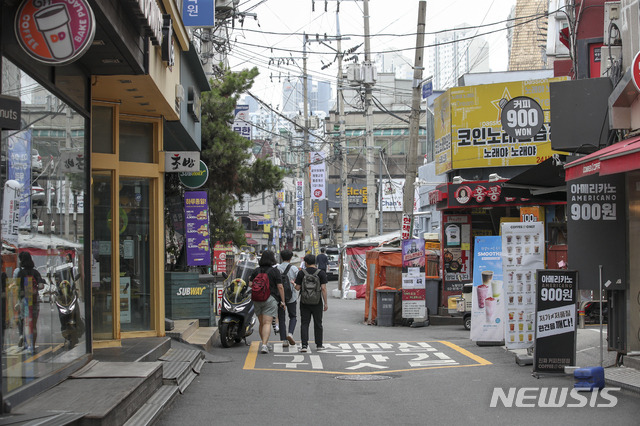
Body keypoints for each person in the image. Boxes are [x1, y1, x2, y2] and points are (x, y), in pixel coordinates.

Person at [249, 250, 286, 354]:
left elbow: (250, 284)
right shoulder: (275, 271)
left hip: (257, 299)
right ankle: (264, 345)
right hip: (270, 299)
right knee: (267, 323)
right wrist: (283, 301)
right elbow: (280, 287)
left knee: (261, 323)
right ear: (272, 259)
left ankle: (264, 342)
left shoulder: (256, 271)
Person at [295, 254, 328, 352]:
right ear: (315, 262)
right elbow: (323, 289)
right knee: (318, 323)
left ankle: (304, 345)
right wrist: (325, 303)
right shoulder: (320, 273)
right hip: (317, 301)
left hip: (304, 301)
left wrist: (294, 284)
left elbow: (297, 288)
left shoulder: (302, 273)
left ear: (305, 262)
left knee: (305, 323)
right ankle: (319, 345)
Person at [15, 252, 44, 352]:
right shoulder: (35, 272)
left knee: (27, 323)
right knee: (34, 325)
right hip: (35, 301)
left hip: (25, 302)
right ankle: (32, 345)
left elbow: (17, 288)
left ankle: (26, 344)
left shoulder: (20, 273)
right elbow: (41, 286)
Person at [276, 250, 299, 347]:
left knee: (281, 318)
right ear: (290, 258)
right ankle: (290, 333)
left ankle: (284, 340)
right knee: (293, 316)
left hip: (280, 297)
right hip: (292, 296)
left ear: (281, 257)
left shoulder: (277, 268)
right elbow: (298, 283)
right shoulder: (294, 269)